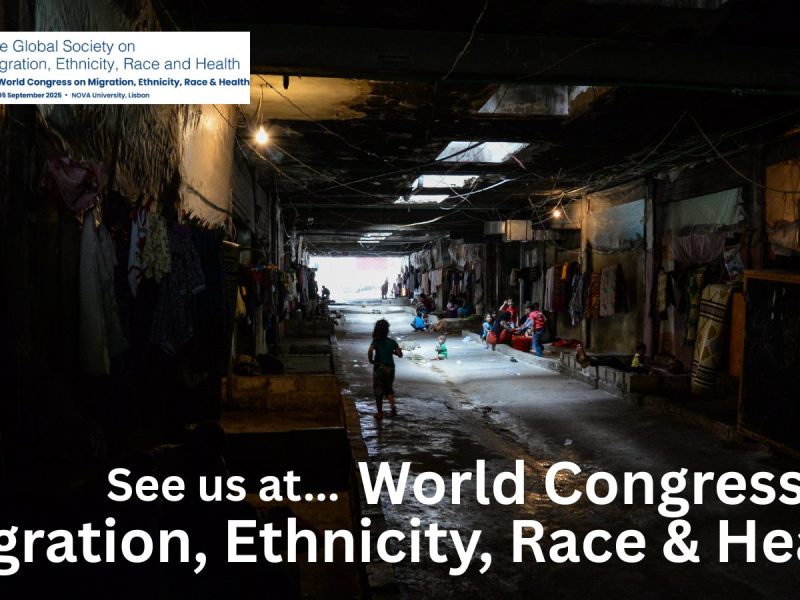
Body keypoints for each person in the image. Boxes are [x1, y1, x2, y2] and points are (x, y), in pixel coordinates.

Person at [368, 319, 403, 418]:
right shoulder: (392, 342)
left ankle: (380, 412)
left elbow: (370, 350)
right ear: (387, 330)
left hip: (379, 367)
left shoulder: (376, 341)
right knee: (388, 388)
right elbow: (400, 355)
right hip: (390, 368)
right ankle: (393, 406)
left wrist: (371, 360)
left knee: (378, 389)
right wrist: (395, 351)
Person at [575, 341, 649, 373]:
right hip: (625, 366)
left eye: (641, 350)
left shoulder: (638, 357)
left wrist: (645, 368)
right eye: (639, 350)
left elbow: (636, 367)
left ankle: (588, 362)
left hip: (626, 369)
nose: (641, 352)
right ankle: (587, 358)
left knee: (611, 360)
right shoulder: (637, 356)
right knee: (610, 357)